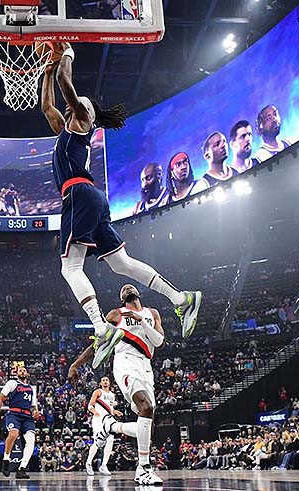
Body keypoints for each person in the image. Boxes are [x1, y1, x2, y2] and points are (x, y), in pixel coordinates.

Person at [40, 42, 202, 369]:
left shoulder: (83, 117)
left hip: (78, 193)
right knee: (121, 264)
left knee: (70, 268)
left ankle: (101, 328)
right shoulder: (67, 129)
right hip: (92, 197)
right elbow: (47, 107)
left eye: (79, 104)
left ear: (88, 111)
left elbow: (67, 86)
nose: (73, 104)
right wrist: (46, 71)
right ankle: (181, 298)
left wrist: (67, 54)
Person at [68, 284, 166, 485]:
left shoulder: (152, 313)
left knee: (148, 424)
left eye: (130, 286)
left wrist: (143, 322)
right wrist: (76, 364)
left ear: (138, 292)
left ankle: (112, 426)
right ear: (122, 298)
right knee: (145, 407)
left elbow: (160, 342)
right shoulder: (116, 314)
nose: (127, 288)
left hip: (146, 366)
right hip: (125, 362)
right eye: (123, 289)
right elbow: (99, 342)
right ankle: (144, 468)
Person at [0, 364, 37, 479]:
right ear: (17, 374)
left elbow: (33, 405)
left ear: (27, 374)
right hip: (14, 413)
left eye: (24, 370)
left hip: (27, 416)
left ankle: (21, 468)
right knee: (13, 434)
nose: (22, 372)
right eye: (20, 370)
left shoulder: (31, 388)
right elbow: (0, 398)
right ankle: (6, 459)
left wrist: (36, 411)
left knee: (31, 440)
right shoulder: (12, 383)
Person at [84, 376, 121, 476]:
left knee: (110, 441)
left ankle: (104, 465)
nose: (105, 382)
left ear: (109, 383)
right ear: (100, 383)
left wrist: (115, 412)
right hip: (98, 420)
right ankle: (88, 463)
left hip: (108, 420)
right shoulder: (98, 392)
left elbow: (110, 409)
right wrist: (94, 411)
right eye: (103, 380)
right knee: (98, 442)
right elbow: (90, 406)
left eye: (107, 380)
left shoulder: (112, 395)